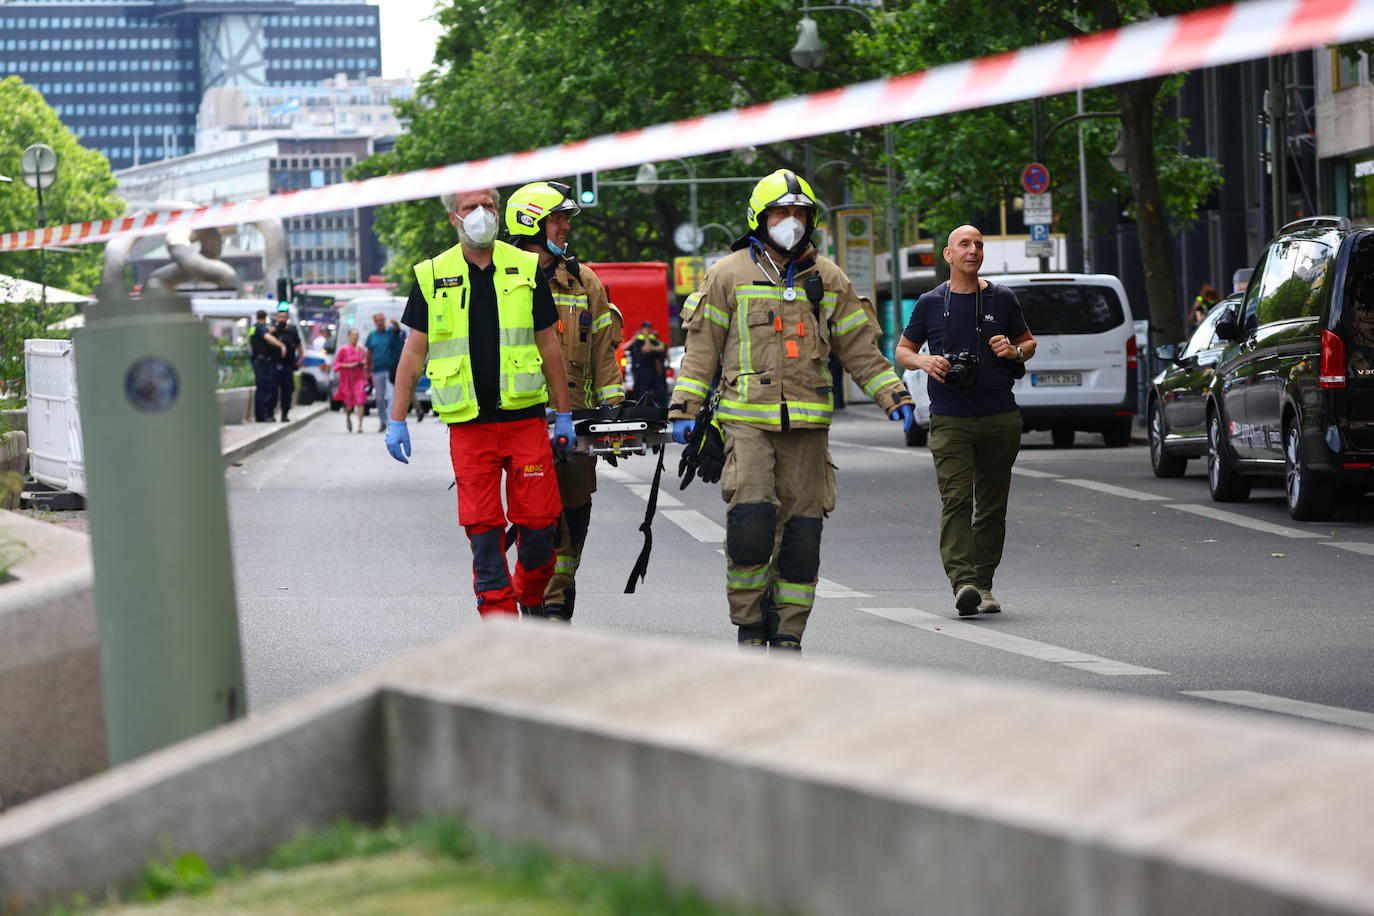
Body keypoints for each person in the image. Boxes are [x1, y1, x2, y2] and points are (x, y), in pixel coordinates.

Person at [669, 169, 915, 652]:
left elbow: (860, 349)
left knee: (803, 536)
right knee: (751, 526)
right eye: (781, 212)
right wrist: (684, 408)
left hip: (808, 428)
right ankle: (749, 626)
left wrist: (895, 396)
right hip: (747, 423)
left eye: (800, 213)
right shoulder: (728, 273)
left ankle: (788, 633)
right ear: (759, 219)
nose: (791, 221)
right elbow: (701, 351)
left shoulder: (828, 277)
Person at [385, 187, 574, 618]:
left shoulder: (526, 267)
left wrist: (563, 414)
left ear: (499, 212)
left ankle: (528, 593)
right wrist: (397, 420)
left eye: (488, 205)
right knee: (484, 534)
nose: (481, 213)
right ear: (454, 217)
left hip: (525, 421)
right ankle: (500, 625)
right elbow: (413, 354)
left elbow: (549, 346)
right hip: (470, 427)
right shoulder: (432, 275)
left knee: (540, 528)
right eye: (470, 207)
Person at [894, 224, 1036, 617]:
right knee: (956, 500)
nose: (973, 250)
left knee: (992, 505)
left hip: (1000, 417)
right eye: (965, 244)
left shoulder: (1002, 298)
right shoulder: (929, 302)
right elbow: (903, 351)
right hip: (951, 419)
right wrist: (924, 360)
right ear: (949, 254)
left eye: (978, 244)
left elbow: (1028, 343)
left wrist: (1013, 351)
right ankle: (964, 582)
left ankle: (984, 583)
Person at [504, 180, 625, 621]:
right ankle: (540, 603)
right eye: (556, 218)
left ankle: (557, 602)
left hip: (575, 424)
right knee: (538, 521)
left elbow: (604, 355)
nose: (564, 227)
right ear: (530, 223)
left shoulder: (583, 281)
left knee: (575, 517)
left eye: (565, 219)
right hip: (522, 422)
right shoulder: (503, 279)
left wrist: (614, 414)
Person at [365, 312, 404, 432]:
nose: (379, 323)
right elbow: (369, 353)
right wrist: (368, 370)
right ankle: (382, 422)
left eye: (381, 320)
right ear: (374, 322)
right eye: (377, 321)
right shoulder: (372, 335)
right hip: (377, 370)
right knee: (379, 398)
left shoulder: (390, 331)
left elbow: (397, 330)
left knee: (391, 397)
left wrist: (395, 323)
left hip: (390, 369)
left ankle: (390, 422)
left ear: (384, 320)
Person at [248, 308, 287, 422]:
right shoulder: (260, 328)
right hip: (262, 362)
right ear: (265, 318)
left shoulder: (253, 328)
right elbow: (267, 337)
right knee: (264, 388)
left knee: (261, 388)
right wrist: (281, 345)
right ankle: (262, 415)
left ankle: (260, 415)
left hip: (257, 360)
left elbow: (255, 340)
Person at [268, 304, 303, 422]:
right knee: (273, 390)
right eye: (280, 317)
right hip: (274, 364)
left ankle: (285, 414)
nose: (282, 319)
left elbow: (299, 345)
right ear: (277, 318)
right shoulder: (272, 331)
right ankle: (270, 413)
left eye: (284, 317)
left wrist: (300, 359)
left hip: (288, 365)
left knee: (287, 390)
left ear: (287, 318)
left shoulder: (292, 330)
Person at [333, 328, 368, 432]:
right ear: (349, 336)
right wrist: (349, 365)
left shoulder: (361, 349)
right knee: (349, 406)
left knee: (360, 401)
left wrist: (364, 363)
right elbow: (336, 365)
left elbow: (366, 362)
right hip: (347, 380)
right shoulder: (343, 349)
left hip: (359, 378)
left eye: (357, 335)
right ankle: (348, 418)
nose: (355, 337)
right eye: (353, 335)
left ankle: (360, 426)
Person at [629, 320, 668, 407]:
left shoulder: (653, 339)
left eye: (649, 327)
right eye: (646, 328)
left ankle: (659, 409)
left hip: (653, 371)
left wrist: (648, 339)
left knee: (659, 394)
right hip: (642, 371)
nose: (648, 329)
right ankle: (641, 409)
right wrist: (642, 338)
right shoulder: (638, 340)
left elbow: (662, 348)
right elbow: (645, 349)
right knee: (641, 393)